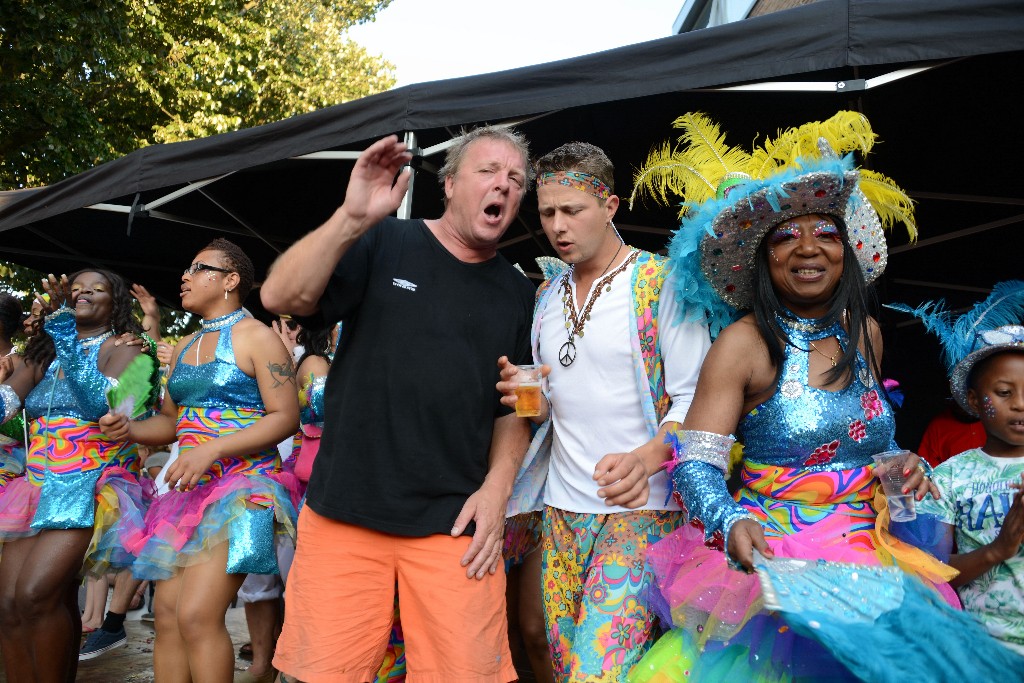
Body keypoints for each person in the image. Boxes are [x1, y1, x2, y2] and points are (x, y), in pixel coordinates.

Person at [623, 111, 1016, 681]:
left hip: (875, 551)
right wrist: (728, 520)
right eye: (786, 235)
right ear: (764, 257)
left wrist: (903, 463)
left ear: (846, 250)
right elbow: (697, 461)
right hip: (782, 557)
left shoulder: (867, 332)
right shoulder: (744, 343)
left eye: (825, 233)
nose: (809, 248)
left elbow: (867, 438)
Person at [262, 128, 535, 682]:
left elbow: (516, 407)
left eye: (516, 180)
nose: (503, 186)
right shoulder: (384, 241)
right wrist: (351, 217)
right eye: (489, 171)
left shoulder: (518, 292)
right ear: (452, 183)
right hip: (346, 512)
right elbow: (279, 298)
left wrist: (496, 490)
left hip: (453, 525)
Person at [498, 142, 710, 682]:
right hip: (563, 510)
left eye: (573, 210)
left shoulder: (660, 283)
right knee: (565, 665)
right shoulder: (546, 296)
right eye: (548, 213)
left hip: (646, 510)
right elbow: (554, 406)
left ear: (610, 205)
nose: (558, 226)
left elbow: (696, 400)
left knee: (598, 672)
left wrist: (645, 459)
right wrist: (535, 402)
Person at [99, 238, 301, 683]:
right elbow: (172, 422)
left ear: (231, 281)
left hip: (244, 487)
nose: (185, 276)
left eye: (198, 268)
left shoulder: (258, 337)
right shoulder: (187, 344)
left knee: (196, 615)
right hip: (186, 495)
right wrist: (129, 428)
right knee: (168, 616)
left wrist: (212, 448)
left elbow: (286, 417)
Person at [0, 269, 155, 683]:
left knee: (35, 594)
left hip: (90, 484)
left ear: (116, 302)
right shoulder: (42, 354)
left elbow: (102, 409)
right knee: (10, 604)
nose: (84, 291)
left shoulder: (133, 351)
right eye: (76, 288)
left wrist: (66, 336)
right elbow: (6, 405)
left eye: (97, 287)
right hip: (34, 487)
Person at [895, 282, 1024, 660]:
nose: (1020, 405)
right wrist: (999, 549)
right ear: (973, 400)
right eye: (1004, 392)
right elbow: (931, 574)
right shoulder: (948, 478)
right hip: (985, 650)